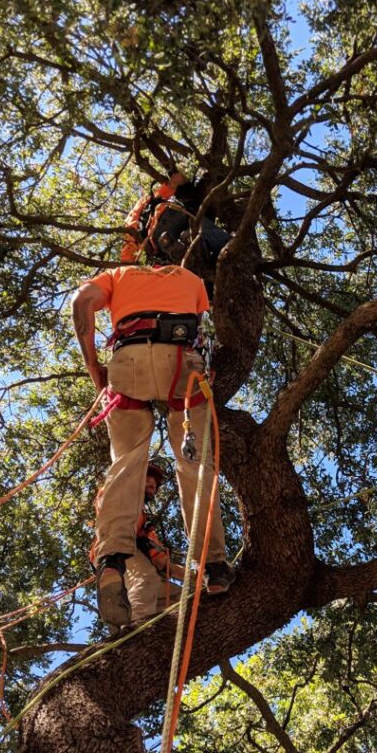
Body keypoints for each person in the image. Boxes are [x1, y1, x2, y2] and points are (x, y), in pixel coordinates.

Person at [72, 254, 234, 627]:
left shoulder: (117, 274)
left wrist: (94, 365)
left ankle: (111, 560)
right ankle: (213, 565)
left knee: (125, 462)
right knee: (194, 463)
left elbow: (82, 303)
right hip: (181, 361)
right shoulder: (191, 277)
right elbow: (201, 328)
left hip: (129, 360)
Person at [91, 461, 185, 624]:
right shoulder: (118, 494)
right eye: (149, 478)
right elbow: (106, 503)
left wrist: (200, 578)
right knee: (146, 579)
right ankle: (136, 630)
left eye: (155, 484)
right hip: (119, 551)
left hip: (135, 555)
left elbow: (162, 562)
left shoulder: (145, 528)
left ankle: (163, 639)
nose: (153, 485)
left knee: (181, 597)